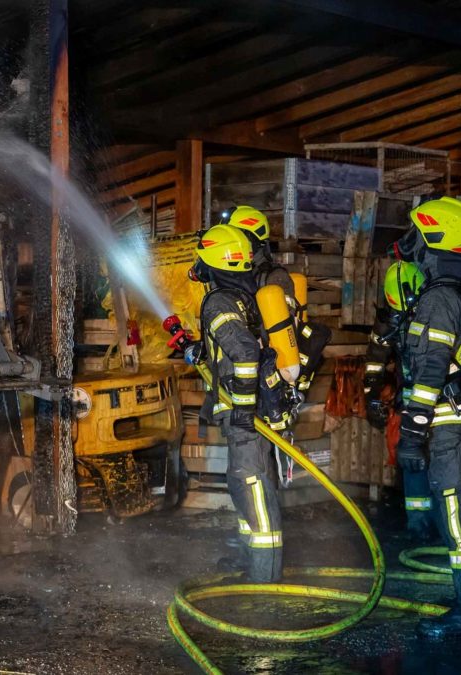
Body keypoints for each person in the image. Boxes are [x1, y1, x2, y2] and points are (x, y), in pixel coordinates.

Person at [391, 196, 461, 638]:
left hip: (446, 429)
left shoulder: (438, 300)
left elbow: (431, 371)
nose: (410, 244)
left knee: (456, 516)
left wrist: (412, 433)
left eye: (416, 235)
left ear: (433, 241)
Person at [189, 224, 282, 583]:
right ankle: (249, 560)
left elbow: (244, 351)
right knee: (243, 484)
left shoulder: (218, 301)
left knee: (253, 487)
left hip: (247, 417)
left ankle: (263, 578)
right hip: (254, 411)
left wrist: (243, 407)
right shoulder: (245, 294)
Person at [219, 205, 330, 395]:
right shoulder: (231, 276)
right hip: (232, 365)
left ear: (252, 240)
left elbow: (283, 326)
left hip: (264, 370)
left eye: (236, 237)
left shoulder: (275, 277)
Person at [363, 261, 438, 541]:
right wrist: (372, 395)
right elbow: (375, 358)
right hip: (410, 403)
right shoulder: (389, 319)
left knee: (442, 463)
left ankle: (445, 526)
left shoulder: (438, 311)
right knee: (413, 462)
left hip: (441, 404)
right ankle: (418, 527)